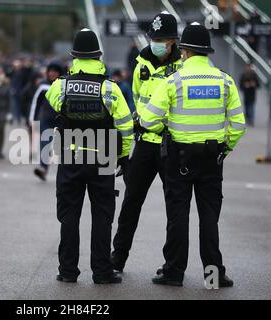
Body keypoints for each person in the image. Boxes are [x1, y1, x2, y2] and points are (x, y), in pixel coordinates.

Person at [139, 23, 246, 287]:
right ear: (206, 52)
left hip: (180, 158)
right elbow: (238, 125)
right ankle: (213, 276)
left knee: (178, 216)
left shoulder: (173, 81)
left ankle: (174, 273)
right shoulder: (224, 80)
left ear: (184, 51)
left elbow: (148, 120)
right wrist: (225, 148)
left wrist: (166, 122)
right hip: (212, 157)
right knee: (209, 217)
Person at [46, 28, 134, 284]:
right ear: (98, 56)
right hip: (104, 156)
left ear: (74, 55)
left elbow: (48, 110)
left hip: (70, 157)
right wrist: (123, 155)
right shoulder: (111, 89)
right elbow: (126, 127)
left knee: (69, 215)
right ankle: (102, 272)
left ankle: (68, 271)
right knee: (102, 216)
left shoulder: (60, 86)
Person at [111, 12, 182, 272]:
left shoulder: (182, 67)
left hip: (170, 144)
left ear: (173, 41)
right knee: (131, 203)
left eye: (162, 39)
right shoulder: (141, 62)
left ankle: (172, 266)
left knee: (175, 207)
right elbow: (138, 102)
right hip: (144, 143)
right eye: (154, 38)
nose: (156, 43)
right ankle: (117, 260)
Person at [30, 63, 63, 181]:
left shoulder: (64, 85)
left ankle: (66, 171)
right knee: (45, 144)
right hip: (46, 120)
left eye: (55, 71)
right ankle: (43, 169)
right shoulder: (43, 86)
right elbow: (35, 103)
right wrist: (32, 119)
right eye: (50, 71)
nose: (52, 73)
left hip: (61, 120)